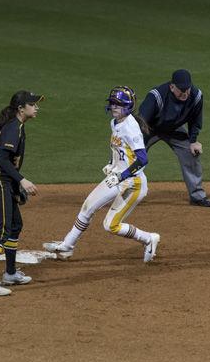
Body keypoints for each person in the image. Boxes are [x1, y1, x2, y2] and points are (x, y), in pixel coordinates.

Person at [43, 86, 160, 263]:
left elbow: (143, 159)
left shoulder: (131, 128)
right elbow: (118, 148)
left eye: (118, 104)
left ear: (128, 106)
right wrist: (112, 164)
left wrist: (121, 175)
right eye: (112, 103)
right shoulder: (115, 123)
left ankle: (148, 238)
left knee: (110, 225)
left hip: (133, 183)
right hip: (116, 177)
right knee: (88, 206)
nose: (114, 107)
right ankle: (67, 246)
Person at [0, 90, 43, 296]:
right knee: (3, 229)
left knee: (15, 225)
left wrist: (15, 187)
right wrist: (22, 181)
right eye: (32, 104)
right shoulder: (13, 128)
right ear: (21, 108)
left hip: (4, 180)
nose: (36, 107)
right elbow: (3, 160)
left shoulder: (18, 126)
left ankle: (10, 273)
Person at [138, 69, 210, 207]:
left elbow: (195, 120)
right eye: (181, 90)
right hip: (149, 129)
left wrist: (193, 140)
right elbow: (141, 120)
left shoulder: (196, 96)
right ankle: (122, 194)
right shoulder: (156, 96)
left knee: (191, 153)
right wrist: (135, 143)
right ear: (172, 87)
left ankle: (197, 196)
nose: (185, 93)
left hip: (174, 129)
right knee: (132, 157)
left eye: (187, 89)